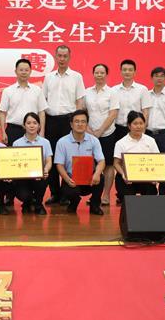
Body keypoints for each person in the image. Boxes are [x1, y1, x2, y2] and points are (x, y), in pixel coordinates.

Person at [42, 45, 86, 206]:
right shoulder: (48, 77)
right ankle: (55, 193)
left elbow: (80, 101)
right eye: (59, 56)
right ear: (55, 57)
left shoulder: (77, 77)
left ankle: (67, 192)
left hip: (69, 121)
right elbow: (43, 101)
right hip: (51, 120)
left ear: (69, 57)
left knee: (69, 157)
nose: (62, 59)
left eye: (65, 56)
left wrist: (78, 122)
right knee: (52, 157)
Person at [54, 109, 105, 215]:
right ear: (71, 124)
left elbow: (101, 161)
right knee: (69, 191)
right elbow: (59, 164)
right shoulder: (62, 142)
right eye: (77, 121)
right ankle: (74, 202)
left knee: (101, 177)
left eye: (83, 121)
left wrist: (97, 174)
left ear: (87, 124)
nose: (80, 124)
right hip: (71, 178)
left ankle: (94, 205)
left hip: (90, 179)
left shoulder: (94, 140)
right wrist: (67, 179)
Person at [83, 63, 120, 206]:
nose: (99, 75)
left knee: (108, 165)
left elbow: (113, 114)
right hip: (89, 133)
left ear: (106, 74)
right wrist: (89, 130)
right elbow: (83, 112)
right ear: (93, 74)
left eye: (102, 72)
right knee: (92, 164)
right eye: (97, 72)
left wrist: (100, 131)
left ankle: (105, 195)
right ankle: (95, 196)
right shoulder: (87, 92)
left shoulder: (112, 92)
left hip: (107, 134)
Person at [0, 58, 48, 146]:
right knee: (13, 154)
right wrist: (3, 132)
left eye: (26, 70)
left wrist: (42, 131)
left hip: (33, 130)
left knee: (33, 154)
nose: (24, 72)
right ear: (16, 71)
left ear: (30, 72)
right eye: (21, 70)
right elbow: (2, 113)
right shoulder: (8, 91)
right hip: (13, 130)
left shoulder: (37, 90)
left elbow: (41, 112)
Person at [11, 112, 52, 215]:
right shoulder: (17, 143)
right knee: (24, 195)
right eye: (28, 123)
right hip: (22, 178)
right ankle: (27, 203)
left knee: (43, 180)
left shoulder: (45, 142)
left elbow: (49, 161)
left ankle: (38, 204)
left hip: (38, 176)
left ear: (39, 125)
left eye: (35, 123)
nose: (32, 125)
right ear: (24, 125)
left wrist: (45, 169)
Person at [113, 111, 160, 198]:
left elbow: (157, 160)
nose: (138, 126)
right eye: (135, 123)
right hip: (127, 177)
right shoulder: (121, 143)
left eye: (141, 123)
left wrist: (155, 176)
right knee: (127, 197)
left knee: (151, 192)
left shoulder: (150, 141)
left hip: (146, 176)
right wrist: (123, 174)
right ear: (129, 125)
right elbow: (116, 163)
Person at [146, 66, 165, 195]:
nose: (159, 78)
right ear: (152, 78)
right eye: (156, 76)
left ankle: (163, 192)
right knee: (148, 162)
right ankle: (150, 191)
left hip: (164, 134)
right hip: (148, 133)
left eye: (162, 76)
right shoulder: (146, 95)